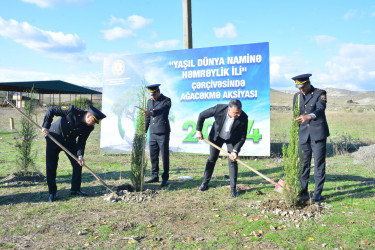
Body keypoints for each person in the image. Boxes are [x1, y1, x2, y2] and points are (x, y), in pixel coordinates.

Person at [41, 105, 106, 202]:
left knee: (77, 163)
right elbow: (51, 110)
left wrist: (80, 155)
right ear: (88, 116)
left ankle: (75, 189)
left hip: (69, 142)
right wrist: (46, 126)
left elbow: (81, 141)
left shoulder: (89, 127)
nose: (93, 125)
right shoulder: (71, 110)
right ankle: (52, 192)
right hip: (54, 137)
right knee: (51, 166)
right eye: (93, 121)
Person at [195, 99, 248, 198]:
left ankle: (233, 188)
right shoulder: (219, 109)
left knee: (232, 161)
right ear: (229, 109)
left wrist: (235, 151)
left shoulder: (244, 117)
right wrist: (198, 130)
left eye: (240, 112)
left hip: (232, 140)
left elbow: (242, 137)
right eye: (236, 113)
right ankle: (205, 183)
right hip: (217, 137)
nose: (239, 115)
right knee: (212, 159)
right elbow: (202, 115)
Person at [292, 73, 330, 202]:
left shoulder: (320, 93)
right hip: (303, 135)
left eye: (303, 87)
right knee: (303, 164)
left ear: (308, 83)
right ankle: (302, 190)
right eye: (298, 87)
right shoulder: (297, 97)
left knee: (319, 164)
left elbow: (320, 109)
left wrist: (309, 116)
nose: (301, 90)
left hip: (318, 134)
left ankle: (317, 193)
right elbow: (295, 114)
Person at [143, 84, 171, 187]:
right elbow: (147, 117)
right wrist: (144, 130)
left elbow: (161, 110)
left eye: (154, 94)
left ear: (158, 92)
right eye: (151, 95)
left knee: (164, 156)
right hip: (153, 132)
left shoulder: (166, 100)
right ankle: (155, 175)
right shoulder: (150, 101)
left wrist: (151, 113)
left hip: (163, 132)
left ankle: (165, 178)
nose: (152, 97)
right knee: (153, 155)